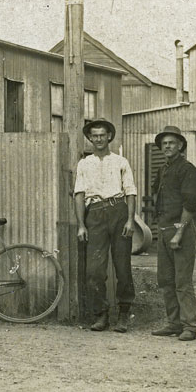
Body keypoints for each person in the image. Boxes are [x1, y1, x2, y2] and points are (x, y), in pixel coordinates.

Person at [74, 118, 137, 333]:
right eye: (95, 135)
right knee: (94, 270)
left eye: (102, 135)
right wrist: (81, 225)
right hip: (95, 215)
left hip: (118, 211)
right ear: (90, 138)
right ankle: (101, 315)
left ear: (109, 136)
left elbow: (130, 192)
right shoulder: (84, 164)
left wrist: (130, 220)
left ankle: (123, 315)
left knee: (123, 267)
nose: (99, 139)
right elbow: (79, 195)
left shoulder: (121, 162)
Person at [150, 125, 196, 342]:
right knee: (165, 280)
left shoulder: (188, 170)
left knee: (182, 281)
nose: (167, 146)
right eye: (164, 143)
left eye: (171, 143)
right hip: (164, 231)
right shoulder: (163, 170)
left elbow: (190, 205)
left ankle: (190, 326)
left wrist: (179, 234)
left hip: (180, 231)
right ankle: (174, 323)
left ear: (180, 145)